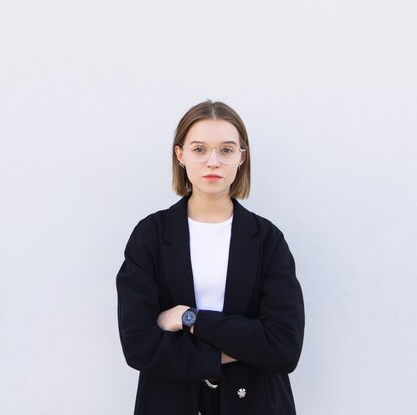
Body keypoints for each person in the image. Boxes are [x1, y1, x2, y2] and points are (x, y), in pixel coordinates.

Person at [116, 100, 305, 415]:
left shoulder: (267, 240)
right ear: (180, 155)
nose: (213, 162)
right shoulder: (150, 235)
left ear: (242, 158)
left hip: (255, 403)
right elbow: (138, 345)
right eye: (200, 149)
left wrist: (191, 318)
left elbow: (284, 348)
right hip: (169, 402)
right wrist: (243, 347)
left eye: (227, 150)